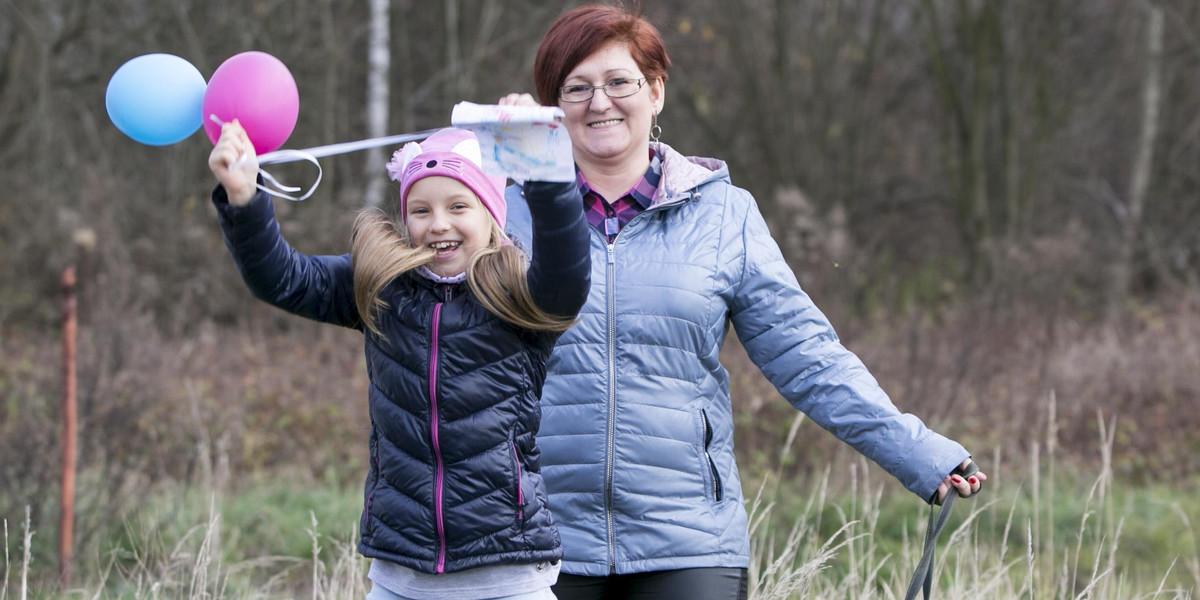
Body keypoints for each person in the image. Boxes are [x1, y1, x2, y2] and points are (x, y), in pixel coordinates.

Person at [496, 4, 988, 599]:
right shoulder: (502, 213)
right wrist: (494, 163)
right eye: (576, 88)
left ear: (655, 91)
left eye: (618, 82)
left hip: (689, 545)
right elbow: (428, 314)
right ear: (552, 108)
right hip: (534, 539)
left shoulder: (725, 216)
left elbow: (808, 356)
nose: (599, 103)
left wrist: (918, 453)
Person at [207, 122, 591, 600]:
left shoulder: (518, 295)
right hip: (401, 576)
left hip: (507, 573)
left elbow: (568, 276)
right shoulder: (381, 287)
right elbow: (284, 279)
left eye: (458, 206)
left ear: (492, 214)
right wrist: (244, 201)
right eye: (421, 209)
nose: (439, 224)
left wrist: (543, 173)